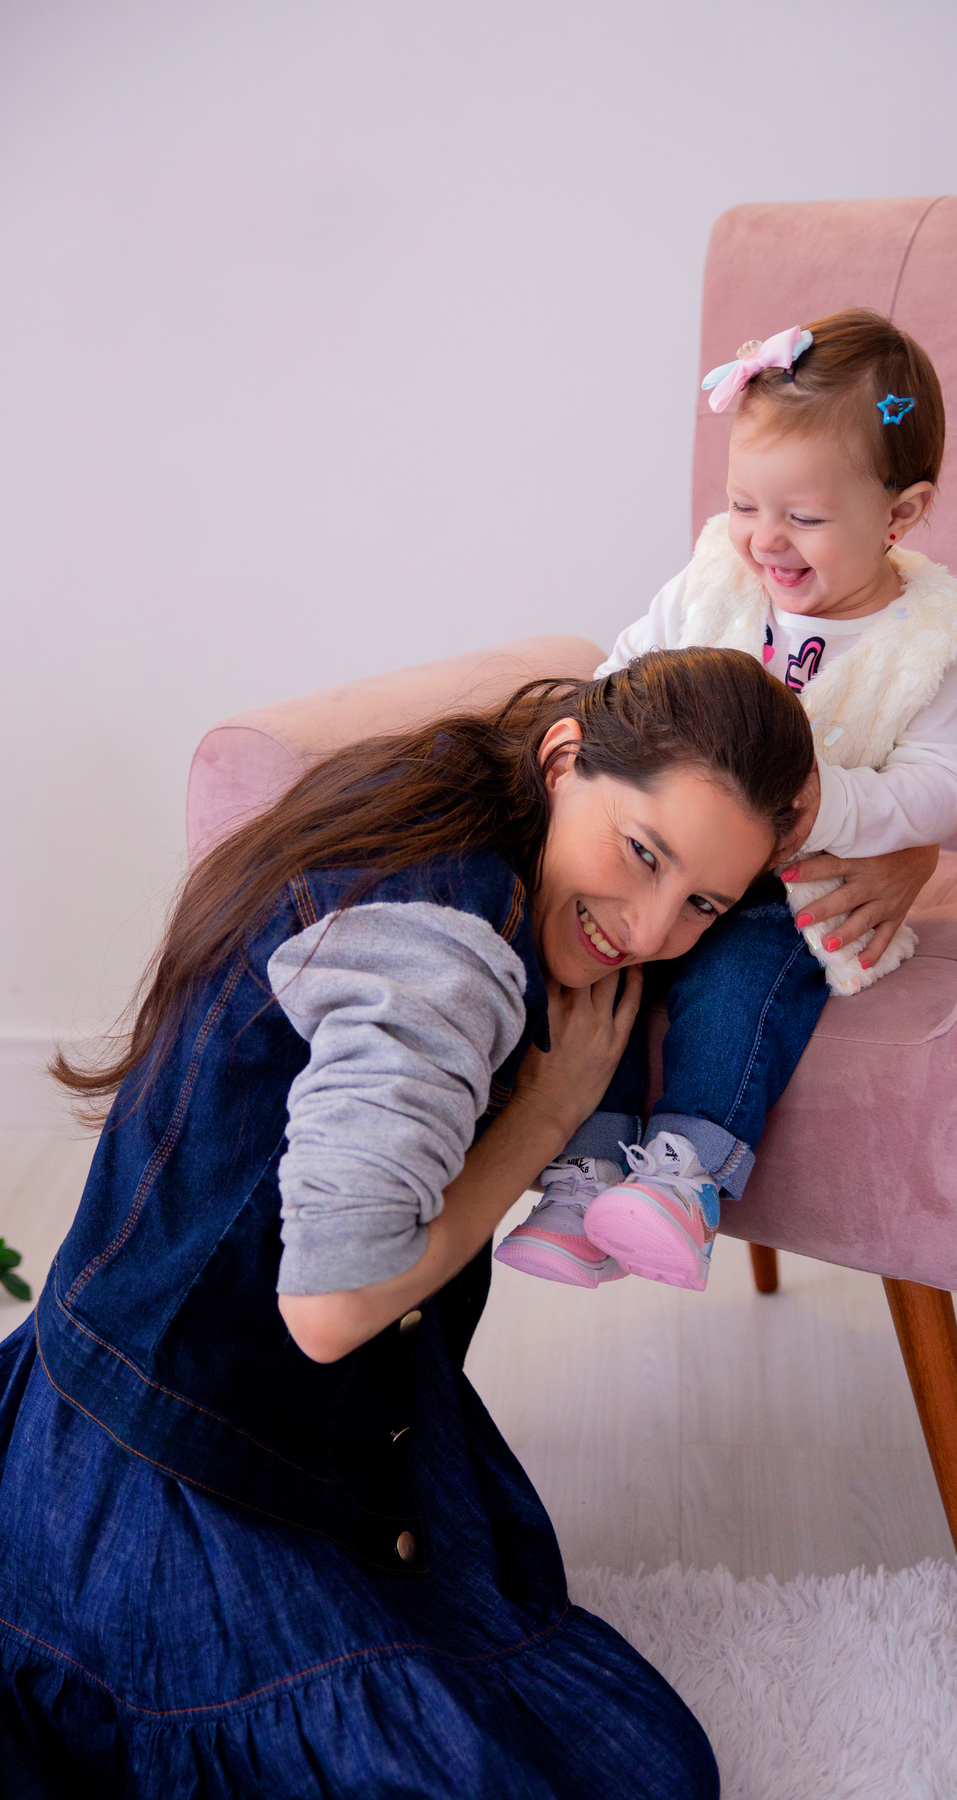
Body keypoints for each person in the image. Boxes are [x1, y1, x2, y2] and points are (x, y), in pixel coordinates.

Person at [0, 648, 811, 1797]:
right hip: (171, 1464)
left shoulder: (455, 794)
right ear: (566, 758)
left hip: (157, 1372)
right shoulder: (443, 954)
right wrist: (544, 1121)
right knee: (631, 1773)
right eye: (642, 854)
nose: (647, 928)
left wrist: (895, 849)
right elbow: (330, 1310)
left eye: (703, 904)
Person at [497, 310, 957, 1295]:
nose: (766, 538)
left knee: (737, 985)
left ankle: (684, 1180)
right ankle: (581, 1178)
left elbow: (947, 783)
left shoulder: (924, 638)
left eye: (804, 517)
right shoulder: (715, 584)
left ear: (899, 515)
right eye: (743, 504)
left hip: (792, 890)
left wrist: (835, 806)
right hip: (669, 860)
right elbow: (625, 671)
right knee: (607, 971)